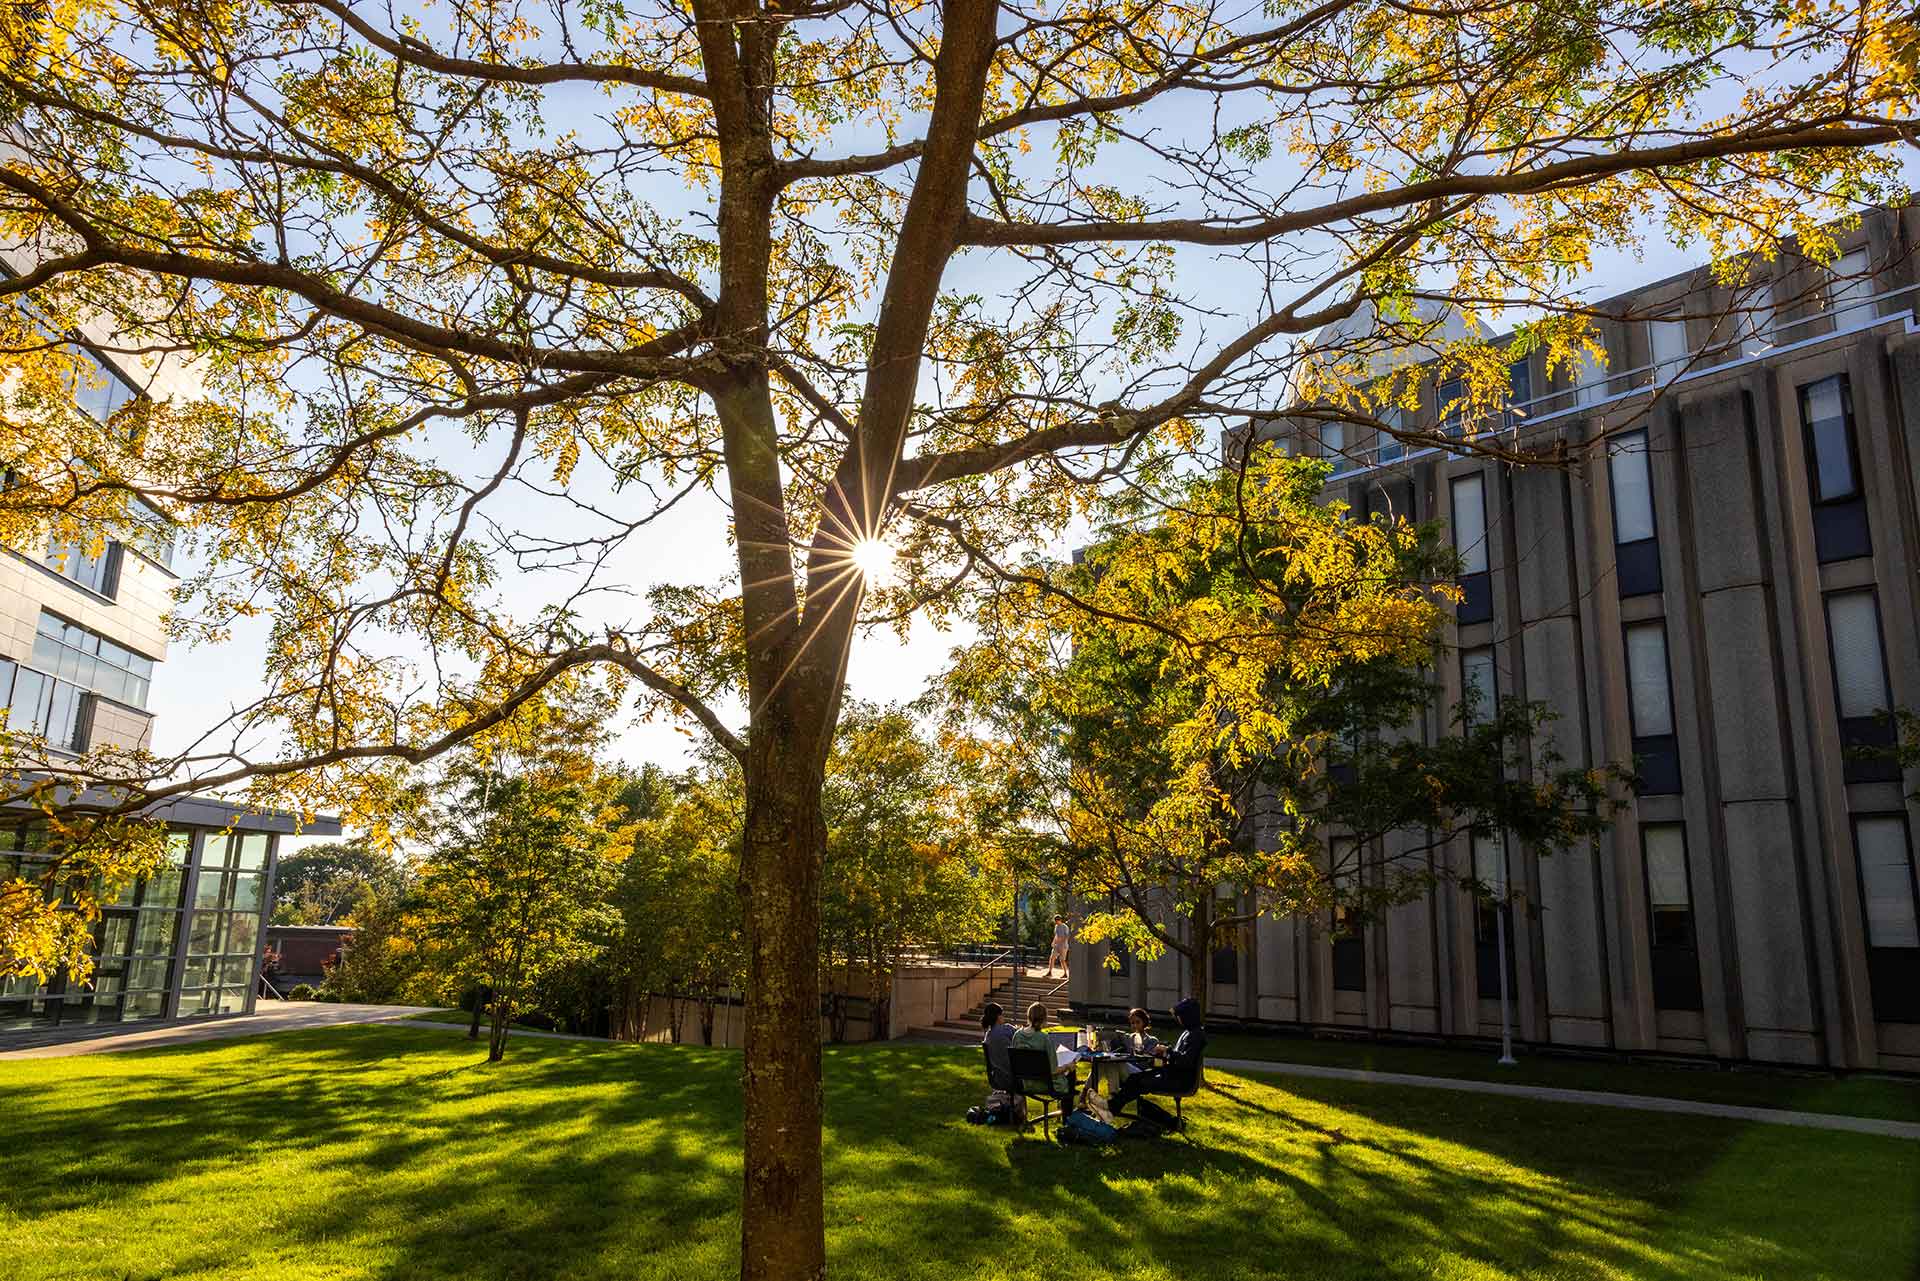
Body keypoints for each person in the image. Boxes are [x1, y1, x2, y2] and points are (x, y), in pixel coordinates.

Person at [1109, 997, 1207, 1122]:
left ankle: (1110, 1108)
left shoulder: (1196, 1035)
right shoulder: (1189, 1032)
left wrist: (1167, 1051)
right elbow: (1179, 1056)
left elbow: (1186, 1061)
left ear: (1188, 1016)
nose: (1179, 1020)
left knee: (1141, 1081)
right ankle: (1111, 1107)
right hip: (1171, 1074)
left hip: (1180, 1080)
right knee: (1135, 1078)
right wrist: (1166, 1052)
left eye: (1180, 1016)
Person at [980, 1002, 1016, 1089]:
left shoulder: (988, 1036)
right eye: (1002, 1014)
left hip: (998, 1079)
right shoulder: (1007, 1029)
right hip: (1014, 1078)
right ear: (998, 1016)